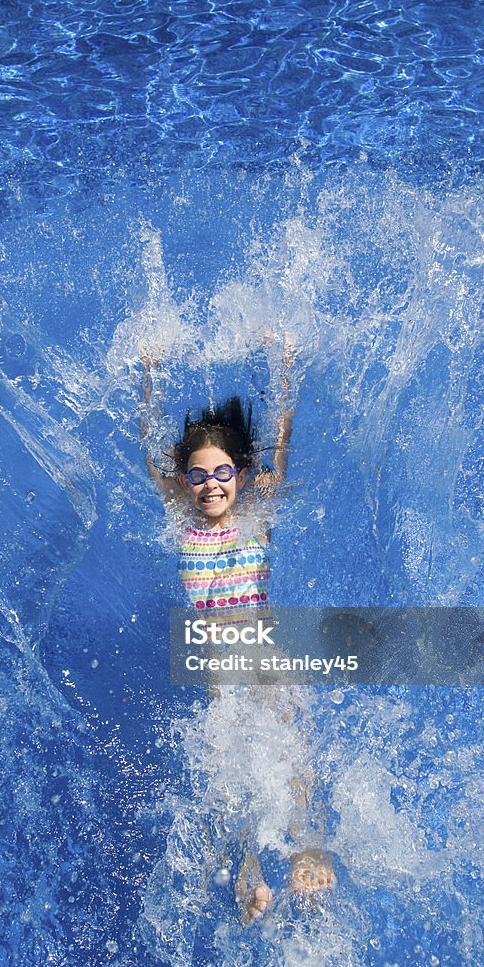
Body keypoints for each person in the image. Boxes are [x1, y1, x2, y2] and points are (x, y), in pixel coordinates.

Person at [139, 337, 335, 926]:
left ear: (239, 474)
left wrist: (286, 371)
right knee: (229, 771)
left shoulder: (255, 517)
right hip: (218, 668)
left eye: (222, 472)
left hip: (265, 653)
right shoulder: (181, 519)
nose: (211, 485)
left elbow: (280, 452)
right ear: (186, 482)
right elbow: (150, 460)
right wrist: (151, 377)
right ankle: (250, 877)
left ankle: (307, 848)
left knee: (292, 752)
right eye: (197, 476)